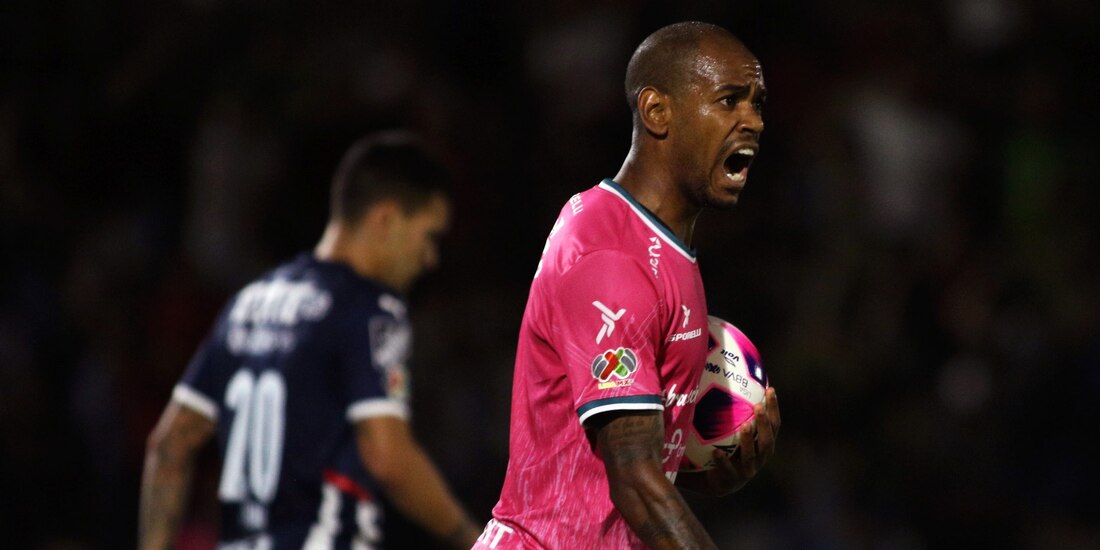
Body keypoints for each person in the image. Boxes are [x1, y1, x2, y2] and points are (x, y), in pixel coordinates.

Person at [474, 22, 782, 549]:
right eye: (729, 100)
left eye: (756, 102)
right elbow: (634, 482)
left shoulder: (657, 246)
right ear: (657, 112)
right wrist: (654, 481)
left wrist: (701, 471)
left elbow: (618, 468)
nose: (751, 120)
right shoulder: (611, 256)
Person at [139, 131, 481, 550]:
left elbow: (170, 445)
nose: (430, 258)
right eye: (428, 236)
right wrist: (476, 540)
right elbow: (387, 455)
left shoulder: (247, 303)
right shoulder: (370, 308)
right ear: (386, 218)